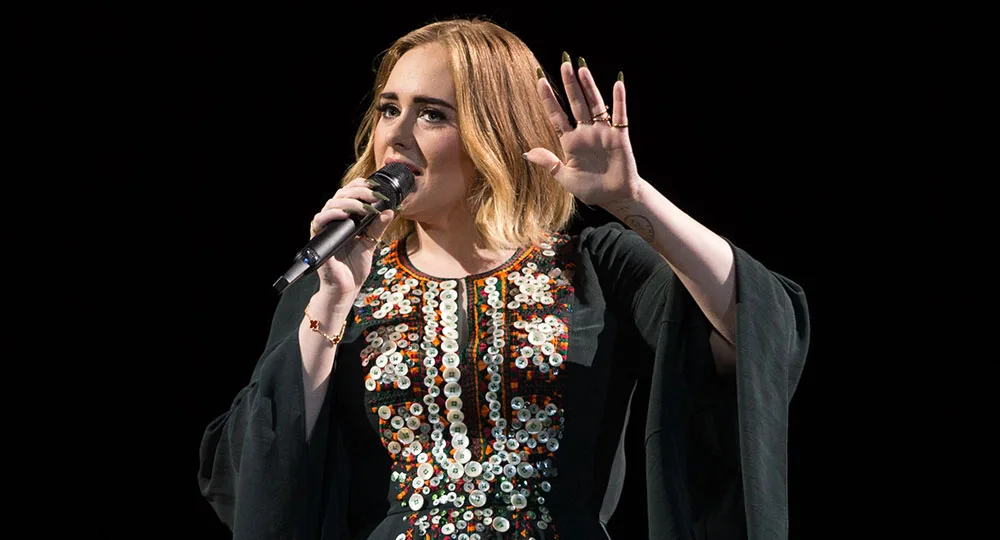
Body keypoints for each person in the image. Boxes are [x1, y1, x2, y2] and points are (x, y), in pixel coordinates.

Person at [197, 17, 810, 540]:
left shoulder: (596, 267)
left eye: (432, 114)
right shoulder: (336, 279)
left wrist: (634, 202)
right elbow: (254, 480)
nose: (395, 135)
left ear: (495, 134)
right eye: (389, 109)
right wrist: (329, 306)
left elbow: (756, 328)